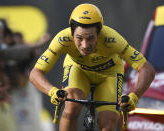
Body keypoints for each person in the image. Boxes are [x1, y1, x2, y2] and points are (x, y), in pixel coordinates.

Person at [29, 3, 155, 131]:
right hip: (79, 70)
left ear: (99, 33)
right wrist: (52, 91)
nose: (84, 45)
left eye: (90, 38)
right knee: (71, 106)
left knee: (108, 122)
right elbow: (35, 73)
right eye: (79, 38)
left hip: (109, 74)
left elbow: (146, 68)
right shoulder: (62, 39)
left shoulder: (112, 39)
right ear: (72, 33)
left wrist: (134, 96)